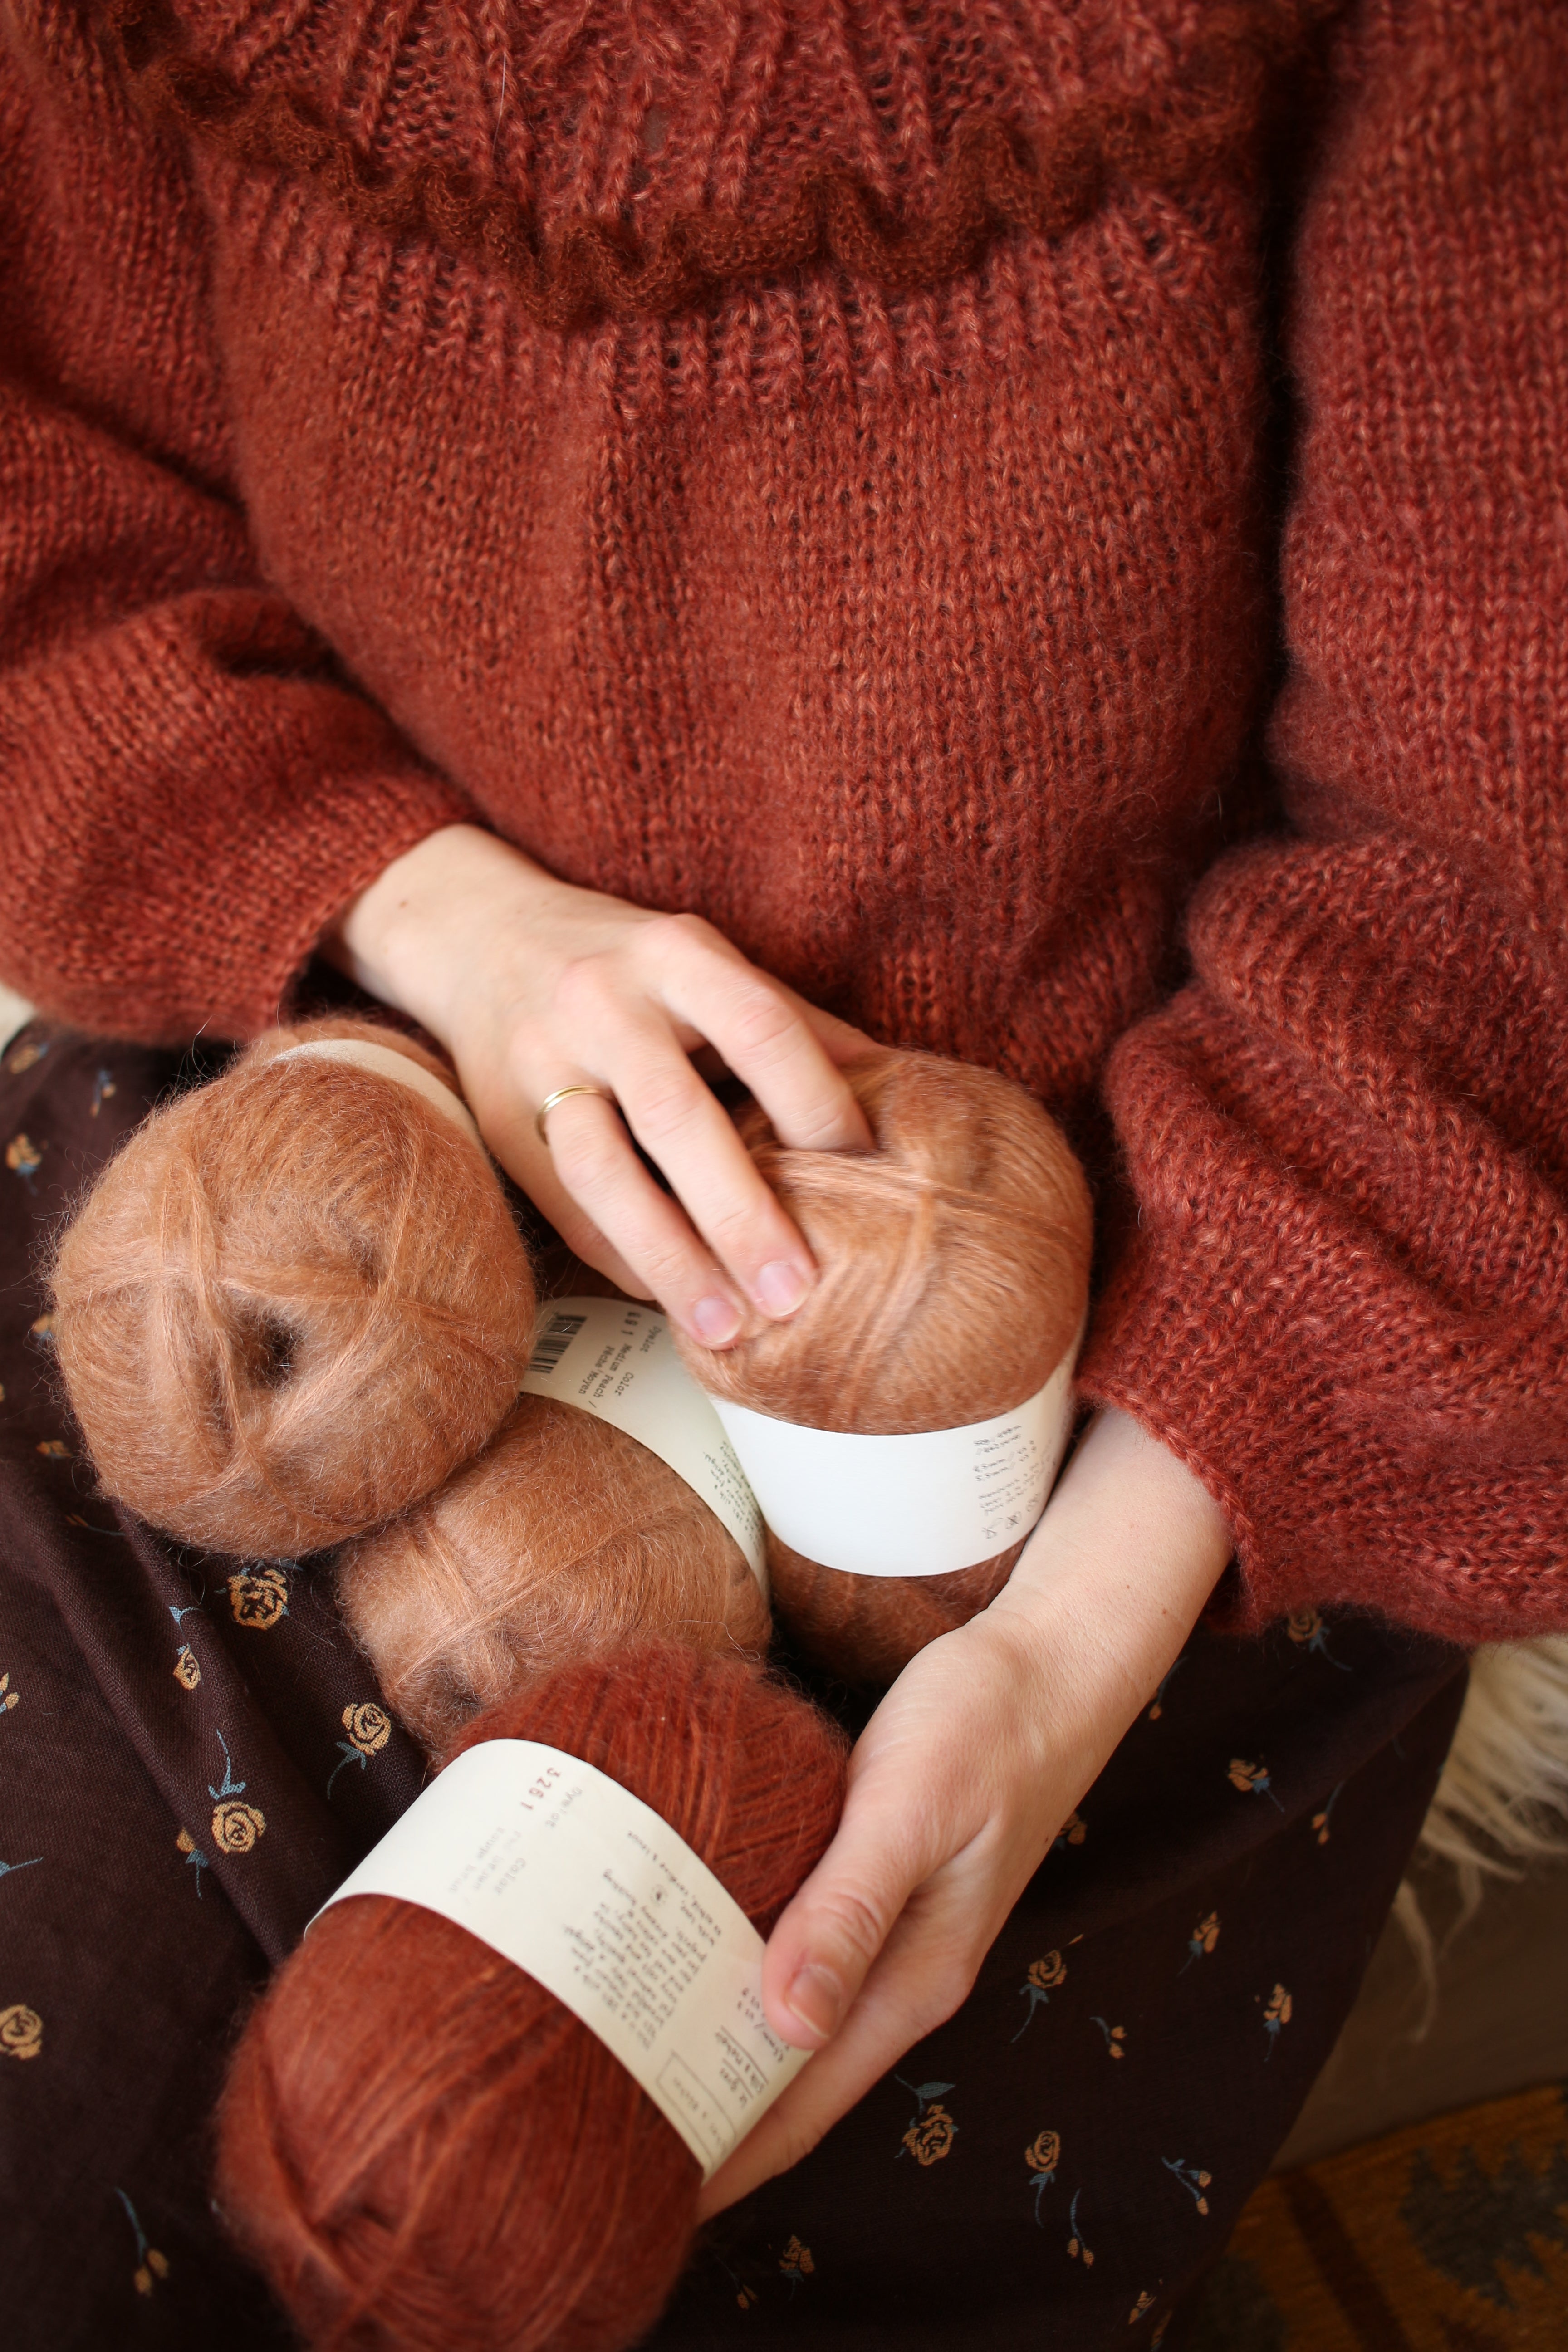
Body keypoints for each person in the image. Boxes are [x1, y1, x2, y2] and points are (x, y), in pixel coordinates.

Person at [0, 0, 1561, 2342]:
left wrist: (1044, 1682)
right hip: (334, 1110)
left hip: (1143, 1357)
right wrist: (452, 933)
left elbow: (1496, 879)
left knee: (729, 2225)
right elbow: (54, 507)